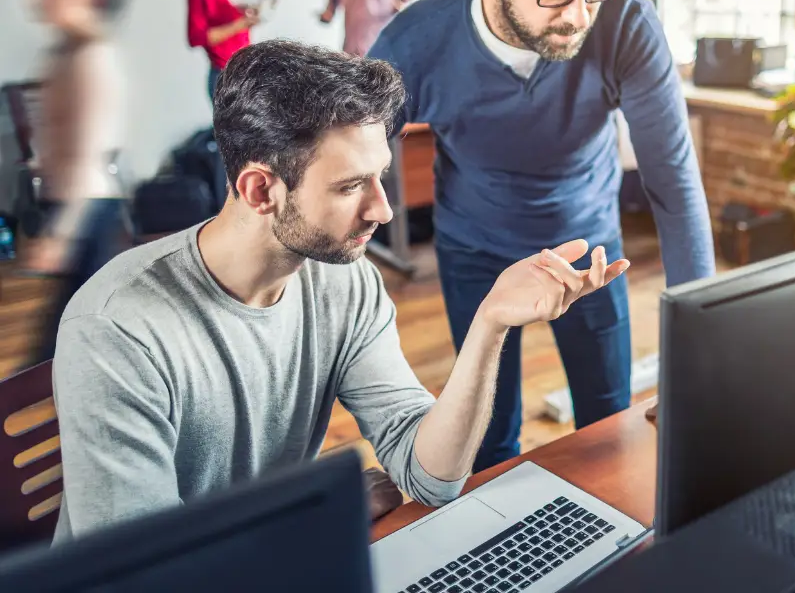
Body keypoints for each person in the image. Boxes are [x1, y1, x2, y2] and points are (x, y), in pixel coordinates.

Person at [51, 39, 629, 542]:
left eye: (380, 175)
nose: (382, 208)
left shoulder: (343, 281)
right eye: (352, 185)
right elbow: (146, 573)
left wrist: (491, 323)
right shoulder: (117, 329)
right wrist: (312, 513)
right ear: (260, 190)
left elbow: (430, 473)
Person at [368, 0, 715, 472]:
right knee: (491, 440)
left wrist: (700, 355)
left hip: (590, 250)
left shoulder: (625, 23)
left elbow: (672, 182)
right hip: (475, 250)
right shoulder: (413, 43)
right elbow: (347, 173)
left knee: (608, 426)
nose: (580, 15)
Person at [23, 0, 128, 364]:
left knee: (63, 346)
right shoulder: (64, 51)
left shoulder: (91, 58)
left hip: (89, 212)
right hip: (71, 207)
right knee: (70, 341)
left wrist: (61, 235)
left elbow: (89, 159)